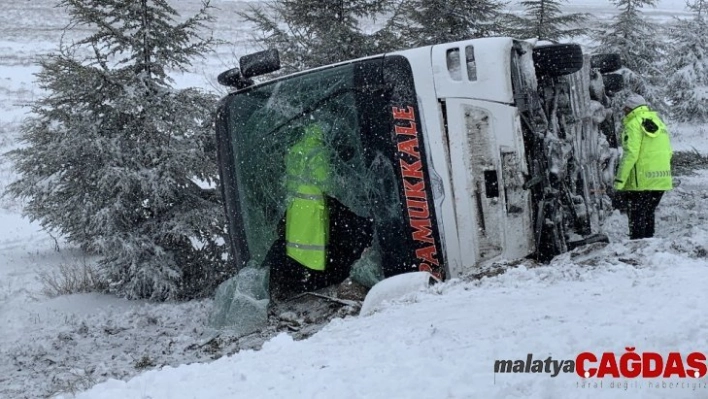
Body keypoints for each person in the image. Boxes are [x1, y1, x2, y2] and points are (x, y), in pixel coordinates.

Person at [264, 123, 374, 301]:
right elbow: (326, 181)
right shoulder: (319, 149)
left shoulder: (296, 149)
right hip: (320, 209)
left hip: (302, 208)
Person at [613, 94, 673, 239]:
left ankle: (636, 246)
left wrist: (619, 181)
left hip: (642, 180)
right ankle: (648, 244)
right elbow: (669, 152)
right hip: (661, 180)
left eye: (625, 108)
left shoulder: (633, 125)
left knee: (637, 215)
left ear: (631, 108)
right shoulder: (659, 123)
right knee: (648, 212)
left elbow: (630, 155)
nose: (623, 110)